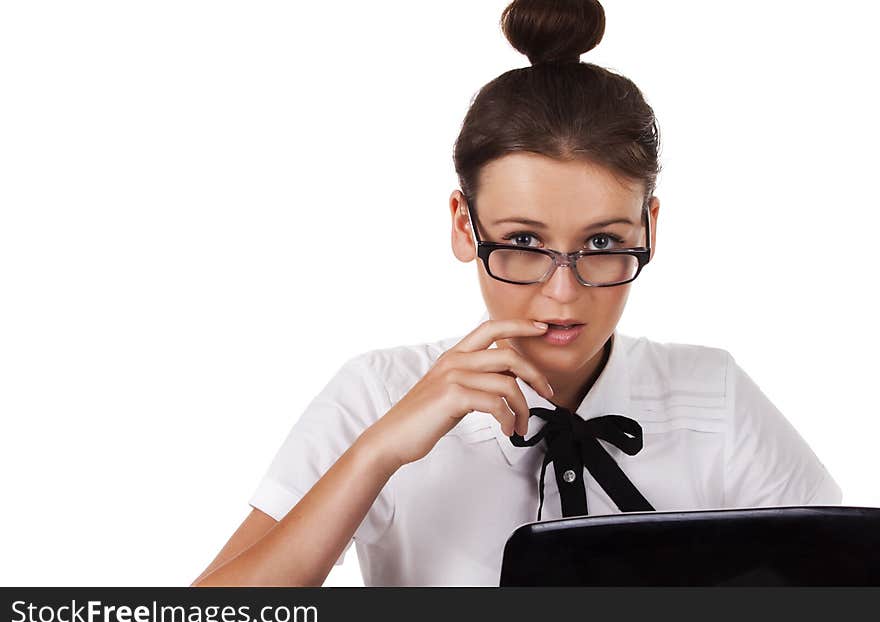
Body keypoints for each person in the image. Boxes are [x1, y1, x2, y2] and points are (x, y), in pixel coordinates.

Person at [191, 0, 842, 587]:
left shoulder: (712, 397)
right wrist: (378, 451)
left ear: (649, 228)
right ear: (462, 225)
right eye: (524, 243)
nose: (563, 294)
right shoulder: (377, 392)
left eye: (602, 244)